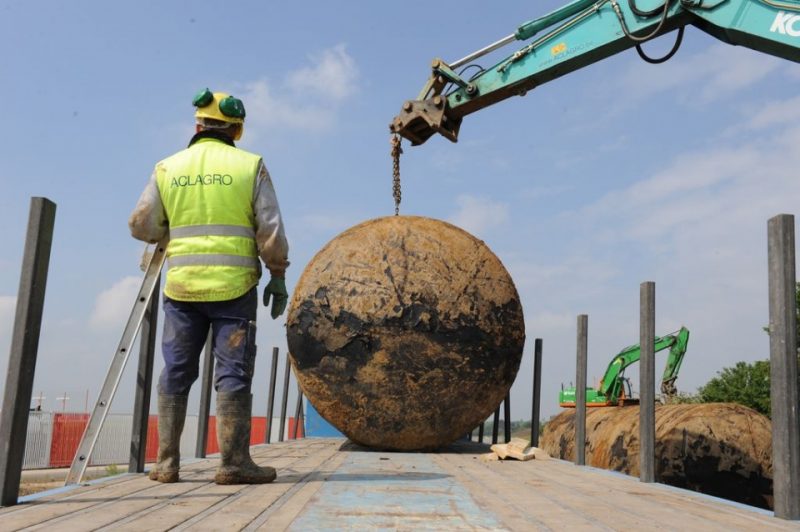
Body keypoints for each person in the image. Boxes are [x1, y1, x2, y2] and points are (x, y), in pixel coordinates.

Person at [129, 88, 289, 485]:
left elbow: (141, 225)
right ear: (237, 129)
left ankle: (166, 464)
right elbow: (269, 229)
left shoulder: (168, 167)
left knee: (177, 371)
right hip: (234, 288)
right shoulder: (250, 165)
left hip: (182, 287)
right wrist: (278, 274)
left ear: (197, 125)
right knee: (232, 372)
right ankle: (234, 464)